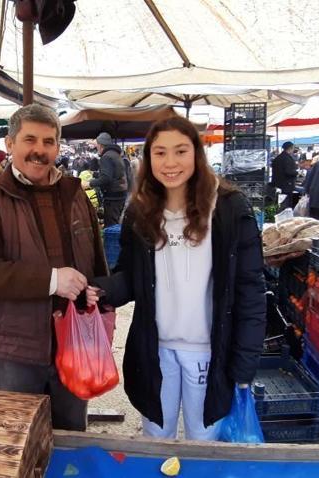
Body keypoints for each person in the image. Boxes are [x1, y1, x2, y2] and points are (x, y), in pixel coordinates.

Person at [86, 117, 266, 441]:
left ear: (196, 154)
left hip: (208, 353)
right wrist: (102, 290)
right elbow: (131, 276)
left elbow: (250, 288)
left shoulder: (228, 209)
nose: (170, 163)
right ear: (148, 158)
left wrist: (244, 361)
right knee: (156, 439)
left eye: (180, 151)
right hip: (156, 349)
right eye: (160, 153)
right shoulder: (140, 211)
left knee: (203, 443)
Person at [0, 104, 106, 431]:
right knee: (18, 438)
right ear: (10, 144)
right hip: (17, 348)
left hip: (74, 342)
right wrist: (52, 280)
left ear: (57, 146)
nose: (39, 150)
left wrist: (99, 290)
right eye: (30, 140)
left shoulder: (74, 193)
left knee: (71, 436)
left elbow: (95, 257)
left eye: (48, 141)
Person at [90, 132, 129, 225]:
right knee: (115, 224)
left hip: (113, 197)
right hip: (121, 195)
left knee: (111, 227)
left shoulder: (106, 157)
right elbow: (113, 174)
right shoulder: (115, 154)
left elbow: (106, 179)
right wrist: (96, 174)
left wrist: (89, 183)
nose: (97, 148)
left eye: (97, 145)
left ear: (100, 145)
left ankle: (113, 240)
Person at [272, 141, 299, 210]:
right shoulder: (287, 158)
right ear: (290, 148)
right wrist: (296, 172)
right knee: (286, 204)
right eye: (293, 148)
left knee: (279, 203)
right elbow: (288, 171)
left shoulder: (278, 158)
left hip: (278, 184)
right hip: (286, 185)